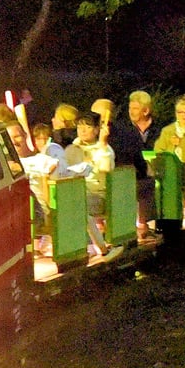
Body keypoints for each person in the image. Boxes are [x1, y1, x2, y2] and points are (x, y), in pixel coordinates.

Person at [64, 111, 123, 262]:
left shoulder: (105, 149)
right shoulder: (72, 149)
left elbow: (106, 167)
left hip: (98, 194)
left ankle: (99, 248)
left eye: (88, 126)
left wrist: (102, 144)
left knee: (81, 207)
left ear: (97, 130)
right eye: (79, 126)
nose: (82, 130)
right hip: (75, 192)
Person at [126, 90, 163, 231]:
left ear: (146, 110)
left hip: (157, 171)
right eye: (130, 108)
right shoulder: (125, 131)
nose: (131, 112)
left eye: (135, 108)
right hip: (135, 174)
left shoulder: (161, 129)